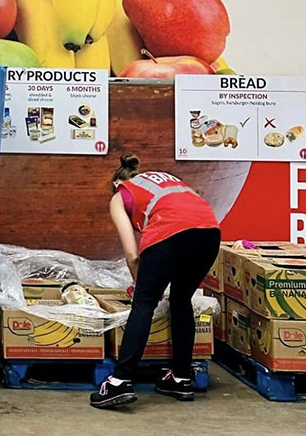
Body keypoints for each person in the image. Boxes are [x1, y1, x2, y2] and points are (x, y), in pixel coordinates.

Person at [91, 153, 221, 410]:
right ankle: (181, 377)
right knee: (181, 299)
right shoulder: (162, 181)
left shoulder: (120, 195)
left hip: (170, 233)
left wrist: (140, 285)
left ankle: (119, 381)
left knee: (144, 303)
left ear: (118, 184)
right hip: (210, 234)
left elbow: (131, 254)